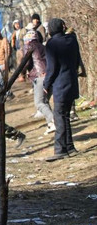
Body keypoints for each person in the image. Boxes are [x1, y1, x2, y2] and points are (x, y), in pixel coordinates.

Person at [43, 18, 84, 161]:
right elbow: (78, 60)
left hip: (60, 85)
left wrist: (46, 85)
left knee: (59, 116)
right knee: (65, 115)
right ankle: (70, 147)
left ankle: (60, 149)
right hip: (72, 83)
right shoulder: (72, 40)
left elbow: (51, 68)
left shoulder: (52, 44)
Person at [18, 30, 55, 134]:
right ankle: (50, 124)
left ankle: (53, 120)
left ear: (27, 39)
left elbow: (26, 62)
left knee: (39, 103)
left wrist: (22, 72)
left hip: (39, 76)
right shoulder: (43, 46)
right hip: (49, 75)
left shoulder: (29, 46)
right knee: (45, 101)